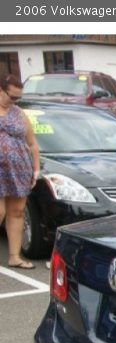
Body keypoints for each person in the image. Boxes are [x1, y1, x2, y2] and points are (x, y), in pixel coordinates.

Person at [0, 73, 40, 269]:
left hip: (19, 170)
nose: (15, 101)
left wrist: (36, 168)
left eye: (19, 98)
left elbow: (32, 144)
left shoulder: (19, 113)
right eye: (12, 96)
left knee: (17, 211)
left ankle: (14, 256)